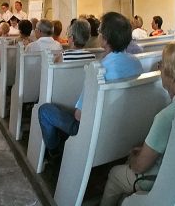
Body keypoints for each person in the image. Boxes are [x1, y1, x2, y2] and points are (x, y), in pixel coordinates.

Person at [100, 39, 175, 205]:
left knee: (115, 173)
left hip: (157, 182)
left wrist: (133, 158)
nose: (159, 69)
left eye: (161, 65)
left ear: (171, 73)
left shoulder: (165, 116)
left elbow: (140, 167)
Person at [38, 12, 143, 155]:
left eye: (100, 31)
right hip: (121, 122)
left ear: (105, 39)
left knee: (45, 110)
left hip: (92, 128)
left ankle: (56, 151)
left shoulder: (99, 68)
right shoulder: (136, 62)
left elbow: (79, 116)